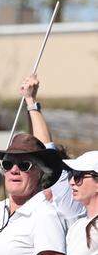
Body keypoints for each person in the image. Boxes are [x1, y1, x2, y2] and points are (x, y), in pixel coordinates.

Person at [19, 75, 86, 226]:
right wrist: (30, 104)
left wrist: (30, 101)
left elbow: (45, 150)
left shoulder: (68, 197)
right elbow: (38, 146)